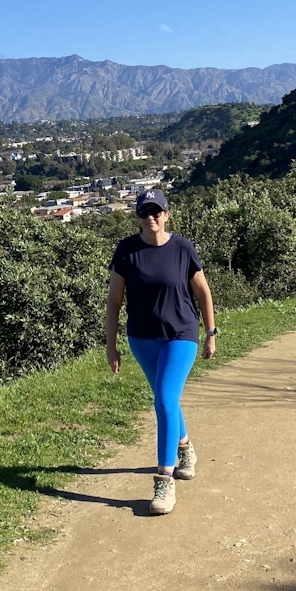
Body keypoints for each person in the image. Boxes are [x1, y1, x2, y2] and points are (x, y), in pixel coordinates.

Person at [105, 187, 217, 515]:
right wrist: (111, 346)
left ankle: (164, 480)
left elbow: (203, 294)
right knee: (165, 397)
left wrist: (211, 333)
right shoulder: (126, 251)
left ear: (167, 214)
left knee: (165, 399)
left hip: (181, 335)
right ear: (138, 218)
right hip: (142, 339)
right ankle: (185, 449)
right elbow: (114, 303)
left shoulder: (183, 248)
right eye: (144, 213)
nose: (151, 217)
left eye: (156, 211)